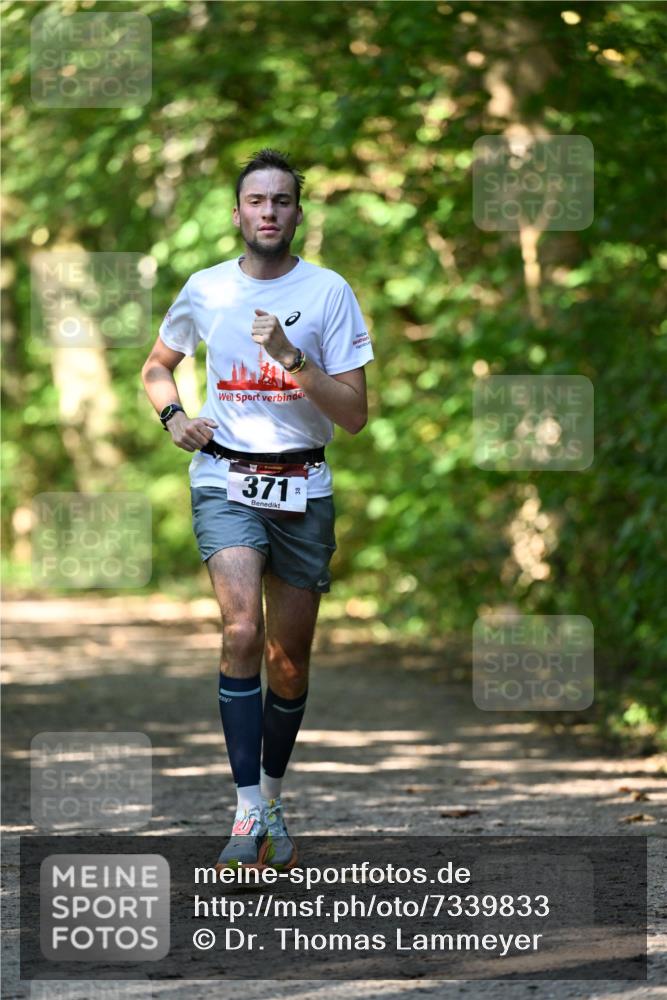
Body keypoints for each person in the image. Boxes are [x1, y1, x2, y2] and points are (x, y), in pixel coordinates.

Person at [141, 149, 374, 870]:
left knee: (289, 661)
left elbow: (356, 415)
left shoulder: (329, 292)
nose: (267, 212)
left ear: (298, 213)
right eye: (255, 201)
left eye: (281, 201)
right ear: (237, 213)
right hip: (224, 479)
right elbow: (156, 365)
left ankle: (271, 797)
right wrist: (174, 416)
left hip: (303, 485)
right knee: (241, 629)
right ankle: (246, 812)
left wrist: (292, 359)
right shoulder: (206, 289)